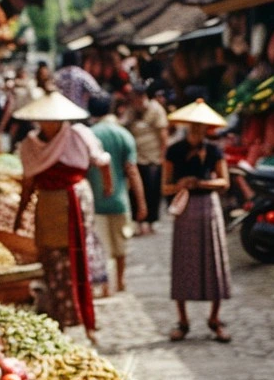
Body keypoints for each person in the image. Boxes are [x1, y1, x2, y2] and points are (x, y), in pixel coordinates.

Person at [13, 91, 112, 343]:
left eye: (52, 120)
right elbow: (29, 182)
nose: (48, 125)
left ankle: (86, 320)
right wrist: (21, 212)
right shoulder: (30, 145)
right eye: (43, 120)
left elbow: (102, 162)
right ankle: (59, 321)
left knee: (77, 258)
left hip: (75, 203)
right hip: (48, 205)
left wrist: (107, 187)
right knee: (52, 261)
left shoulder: (79, 136)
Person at [162, 99, 232, 343]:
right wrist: (181, 185)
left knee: (213, 261)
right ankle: (183, 320)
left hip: (208, 208)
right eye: (193, 126)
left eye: (200, 126)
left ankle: (215, 318)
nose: (196, 130)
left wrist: (201, 183)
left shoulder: (214, 151)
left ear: (206, 129)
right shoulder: (174, 150)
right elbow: (165, 186)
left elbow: (224, 182)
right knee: (183, 263)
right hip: (185, 208)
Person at [87, 92, 147, 295]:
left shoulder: (89, 135)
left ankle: (105, 286)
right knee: (121, 244)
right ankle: (120, 281)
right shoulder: (124, 135)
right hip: (120, 200)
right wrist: (141, 202)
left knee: (101, 245)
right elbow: (132, 170)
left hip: (95, 201)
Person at [123, 80, 169, 234]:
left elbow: (163, 135)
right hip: (136, 157)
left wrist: (163, 157)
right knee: (135, 191)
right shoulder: (131, 110)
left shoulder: (156, 110)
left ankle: (152, 220)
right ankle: (138, 220)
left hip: (152, 157)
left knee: (152, 190)